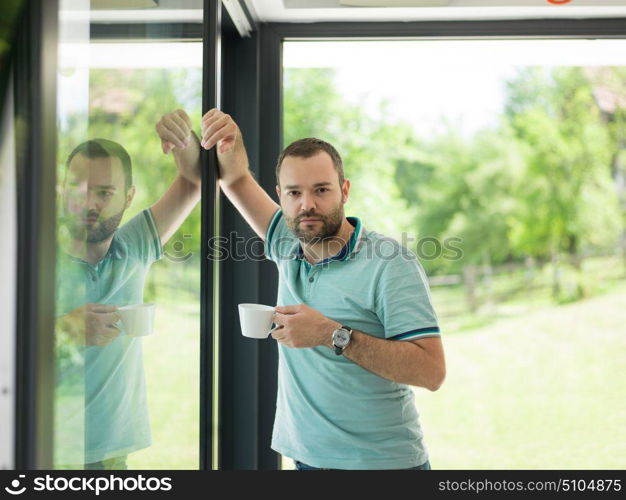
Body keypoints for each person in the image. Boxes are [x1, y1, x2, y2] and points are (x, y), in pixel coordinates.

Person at [190, 108, 446, 470]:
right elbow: (234, 178)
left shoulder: (390, 264)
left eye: (321, 190)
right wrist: (229, 136)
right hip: (305, 460)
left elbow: (431, 372)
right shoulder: (287, 240)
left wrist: (332, 335)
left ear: (344, 191)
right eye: (294, 192)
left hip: (381, 465)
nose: (306, 204)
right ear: (280, 196)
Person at [54, 110, 202, 469]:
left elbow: (193, 180)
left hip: (112, 454)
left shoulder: (134, 246)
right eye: (79, 189)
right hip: (46, 448)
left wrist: (184, 138)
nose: (90, 203)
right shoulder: (26, 256)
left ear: (129, 196)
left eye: (104, 192)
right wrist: (63, 329)